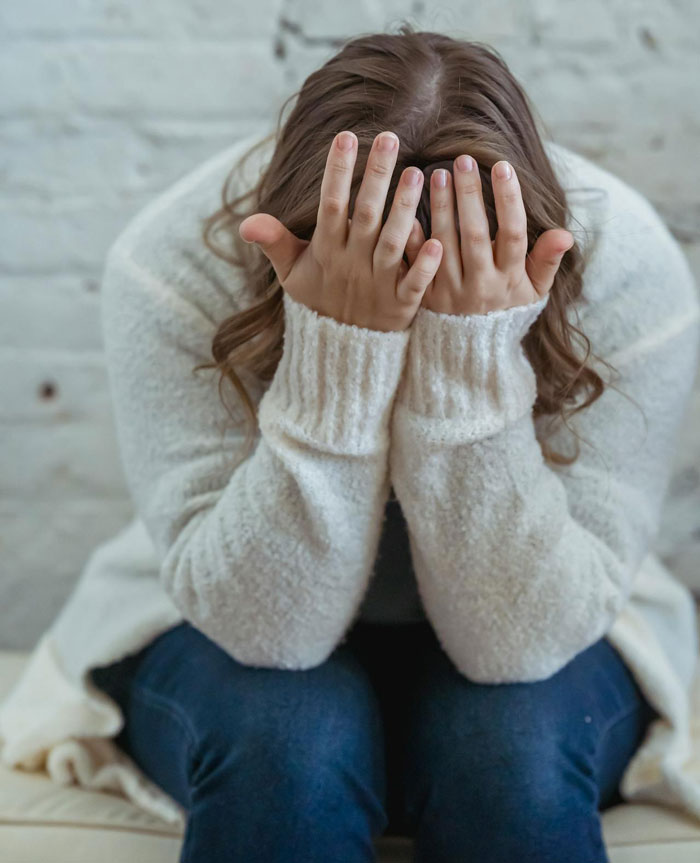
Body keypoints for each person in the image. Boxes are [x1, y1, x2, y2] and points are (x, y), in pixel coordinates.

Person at [2, 24, 700, 863]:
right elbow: (269, 637)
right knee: (289, 741)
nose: (407, 281)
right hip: (222, 611)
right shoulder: (175, 259)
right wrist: (337, 353)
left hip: (548, 609)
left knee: (504, 751)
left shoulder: (623, 265)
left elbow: (518, 644)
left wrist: (470, 361)